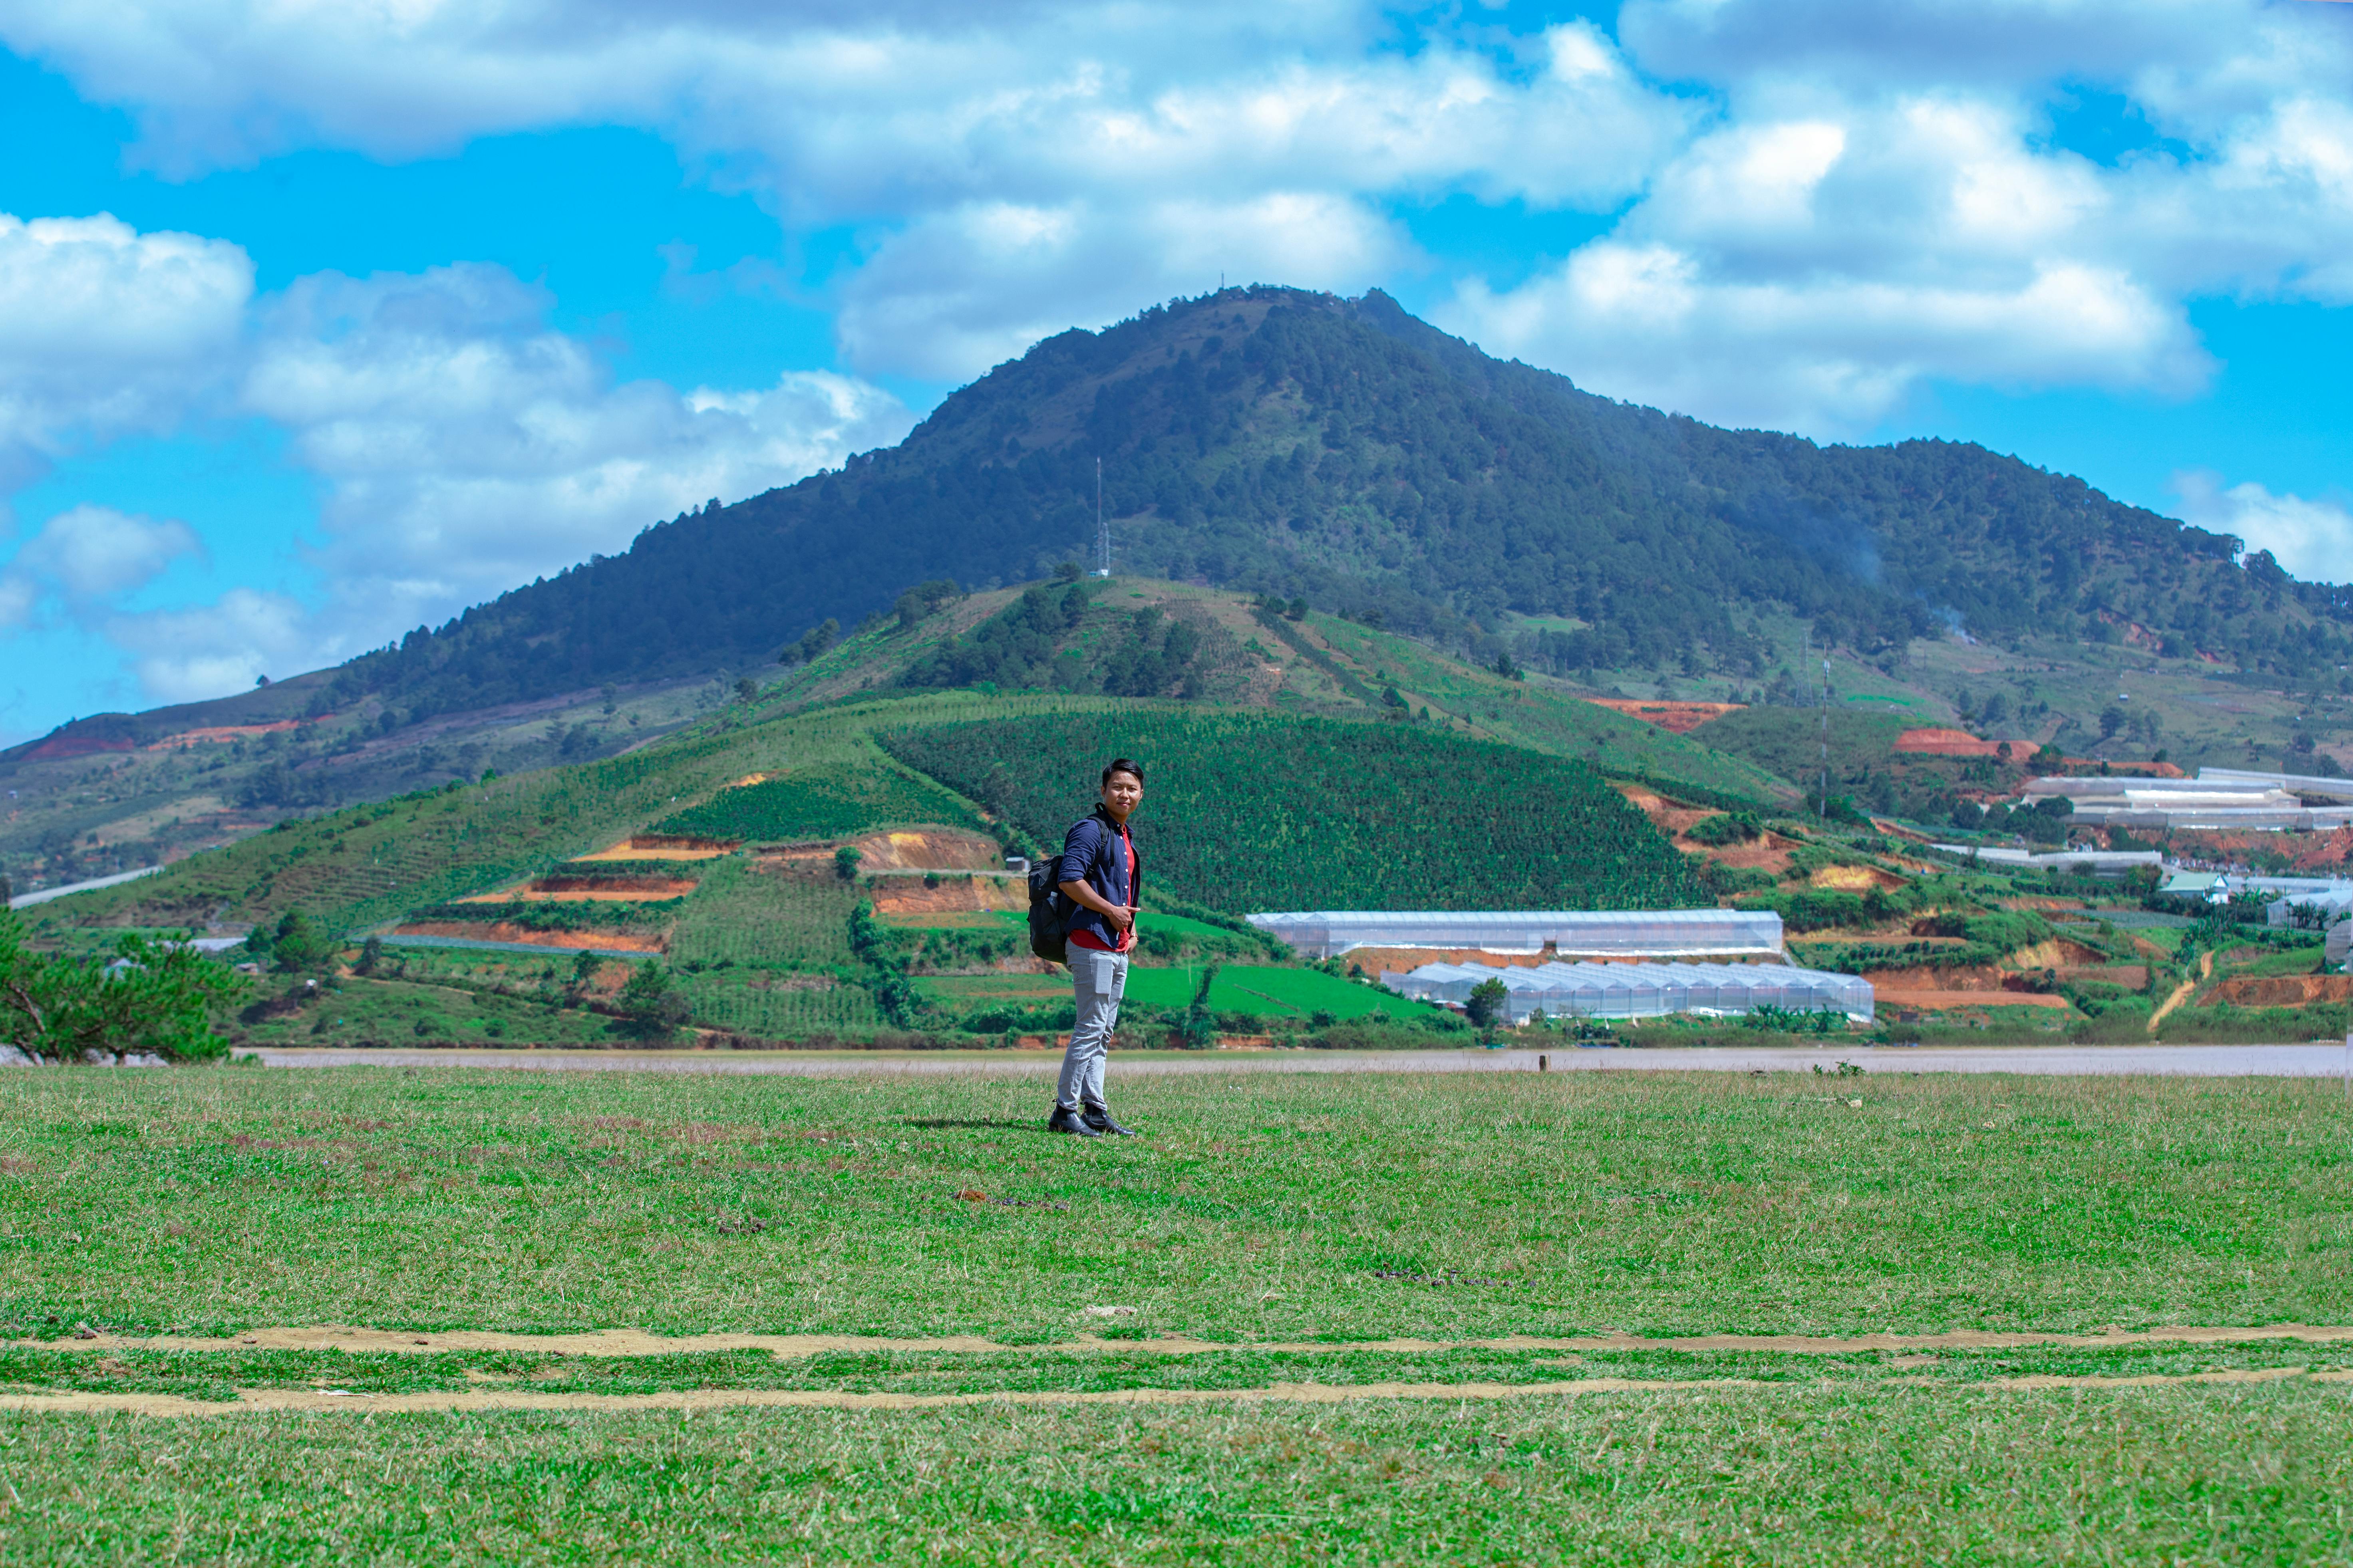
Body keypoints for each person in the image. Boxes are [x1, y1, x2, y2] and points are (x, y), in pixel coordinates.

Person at [1049, 758, 1145, 1136]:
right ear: (1103, 791)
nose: (1125, 794)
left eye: (1132, 788)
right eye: (1118, 787)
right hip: (1091, 943)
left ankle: (1095, 1109)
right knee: (1090, 1026)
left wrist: (1130, 928)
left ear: (1141, 794)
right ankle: (1064, 1110)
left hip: (1116, 946)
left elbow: (1124, 892)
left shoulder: (1124, 835)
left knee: (1104, 1031)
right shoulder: (1090, 831)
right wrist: (1111, 912)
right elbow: (1069, 879)